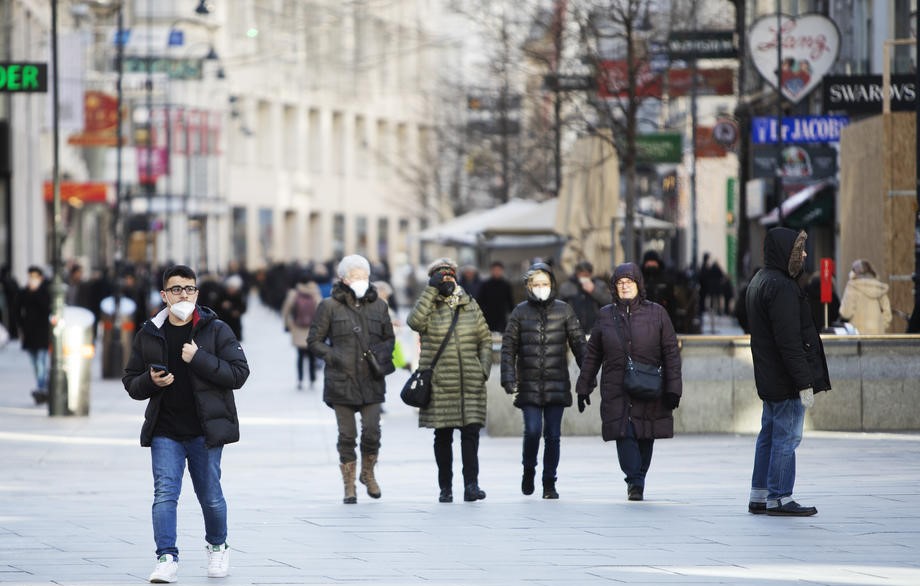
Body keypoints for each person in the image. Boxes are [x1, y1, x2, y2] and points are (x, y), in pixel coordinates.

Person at [122, 264, 250, 582]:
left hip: (205, 431)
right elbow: (131, 381)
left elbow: (239, 374)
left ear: (197, 293)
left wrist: (200, 358)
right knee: (165, 494)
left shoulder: (216, 329)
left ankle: (218, 547)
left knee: (210, 495)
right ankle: (166, 557)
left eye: (190, 288)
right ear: (164, 295)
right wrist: (150, 381)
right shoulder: (149, 332)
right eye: (177, 289)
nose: (184, 294)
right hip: (165, 429)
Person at [574, 262, 682, 501]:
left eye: (629, 282)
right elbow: (593, 355)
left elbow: (671, 352)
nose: (624, 287)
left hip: (650, 385)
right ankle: (634, 480)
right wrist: (584, 386)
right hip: (616, 387)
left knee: (646, 434)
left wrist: (674, 388)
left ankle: (638, 477)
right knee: (624, 432)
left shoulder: (657, 313)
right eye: (620, 283)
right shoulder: (605, 315)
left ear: (638, 284)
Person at [745, 228, 831, 516]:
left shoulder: (760, 280)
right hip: (786, 381)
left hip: (771, 378)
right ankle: (779, 496)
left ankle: (760, 493)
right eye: (800, 250)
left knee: (768, 435)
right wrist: (804, 382)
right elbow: (790, 341)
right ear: (786, 253)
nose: (805, 255)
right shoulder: (781, 286)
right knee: (787, 438)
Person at [307, 255, 396, 504]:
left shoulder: (379, 305)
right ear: (343, 279)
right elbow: (313, 341)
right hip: (341, 380)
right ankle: (349, 485)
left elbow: (389, 338)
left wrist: (381, 354)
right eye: (355, 277)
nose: (360, 281)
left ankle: (368, 474)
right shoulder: (329, 306)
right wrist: (334, 356)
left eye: (364, 277)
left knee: (372, 431)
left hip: (371, 379)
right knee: (347, 435)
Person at [407, 257, 492, 503]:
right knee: (442, 436)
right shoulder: (428, 306)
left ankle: (471, 485)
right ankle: (446, 487)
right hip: (440, 383)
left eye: (449, 274)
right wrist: (431, 290)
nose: (446, 279)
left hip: (470, 382)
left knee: (470, 434)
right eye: (440, 275)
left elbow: (485, 340)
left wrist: (482, 369)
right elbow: (414, 322)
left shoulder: (469, 304)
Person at [500, 262, 586, 499]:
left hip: (557, 383)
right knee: (533, 431)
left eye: (545, 284)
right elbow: (508, 348)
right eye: (536, 284)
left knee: (553, 435)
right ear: (528, 286)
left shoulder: (564, 310)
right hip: (528, 383)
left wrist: (587, 378)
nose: (541, 288)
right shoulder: (519, 312)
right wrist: (508, 377)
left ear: (552, 285)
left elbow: (580, 344)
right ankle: (529, 469)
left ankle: (549, 481)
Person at [280, 275, 321, 390]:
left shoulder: (294, 293)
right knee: (312, 356)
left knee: (300, 356)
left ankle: (300, 379)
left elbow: (285, 311)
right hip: (312, 329)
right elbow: (322, 312)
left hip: (298, 329)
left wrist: (287, 325)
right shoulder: (315, 293)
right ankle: (312, 379)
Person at [17, 266, 51, 405]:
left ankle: (41, 388)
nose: (32, 280)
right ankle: (42, 385)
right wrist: (21, 327)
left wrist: (35, 293)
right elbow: (17, 309)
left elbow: (47, 308)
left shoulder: (44, 292)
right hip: (29, 333)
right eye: (31, 277)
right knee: (34, 362)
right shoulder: (24, 292)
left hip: (42, 332)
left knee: (41, 361)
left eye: (35, 277)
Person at [838, 259, 892, 335]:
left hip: (858, 336)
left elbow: (846, 313)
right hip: (878, 335)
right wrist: (881, 326)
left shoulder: (852, 287)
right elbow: (887, 314)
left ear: (854, 273)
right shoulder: (879, 287)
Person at [558, 260, 612, 333]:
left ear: (590, 274)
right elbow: (560, 308)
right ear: (577, 274)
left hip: (595, 328)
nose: (584, 278)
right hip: (574, 329)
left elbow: (609, 301)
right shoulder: (566, 287)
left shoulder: (599, 285)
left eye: (586, 275)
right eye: (581, 275)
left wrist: (593, 290)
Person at [475, 260, 515, 333]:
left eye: (498, 270)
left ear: (502, 271)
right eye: (495, 270)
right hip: (487, 317)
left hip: (501, 317)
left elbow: (510, 301)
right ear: (491, 271)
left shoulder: (506, 285)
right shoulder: (485, 285)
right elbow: (479, 301)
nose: (497, 272)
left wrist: (513, 314)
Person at [216, 274, 247, 342]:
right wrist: (222, 305)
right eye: (230, 287)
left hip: (235, 324)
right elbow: (215, 306)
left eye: (233, 288)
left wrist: (237, 311)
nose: (231, 289)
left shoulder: (239, 296)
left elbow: (243, 307)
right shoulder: (222, 295)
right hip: (224, 322)